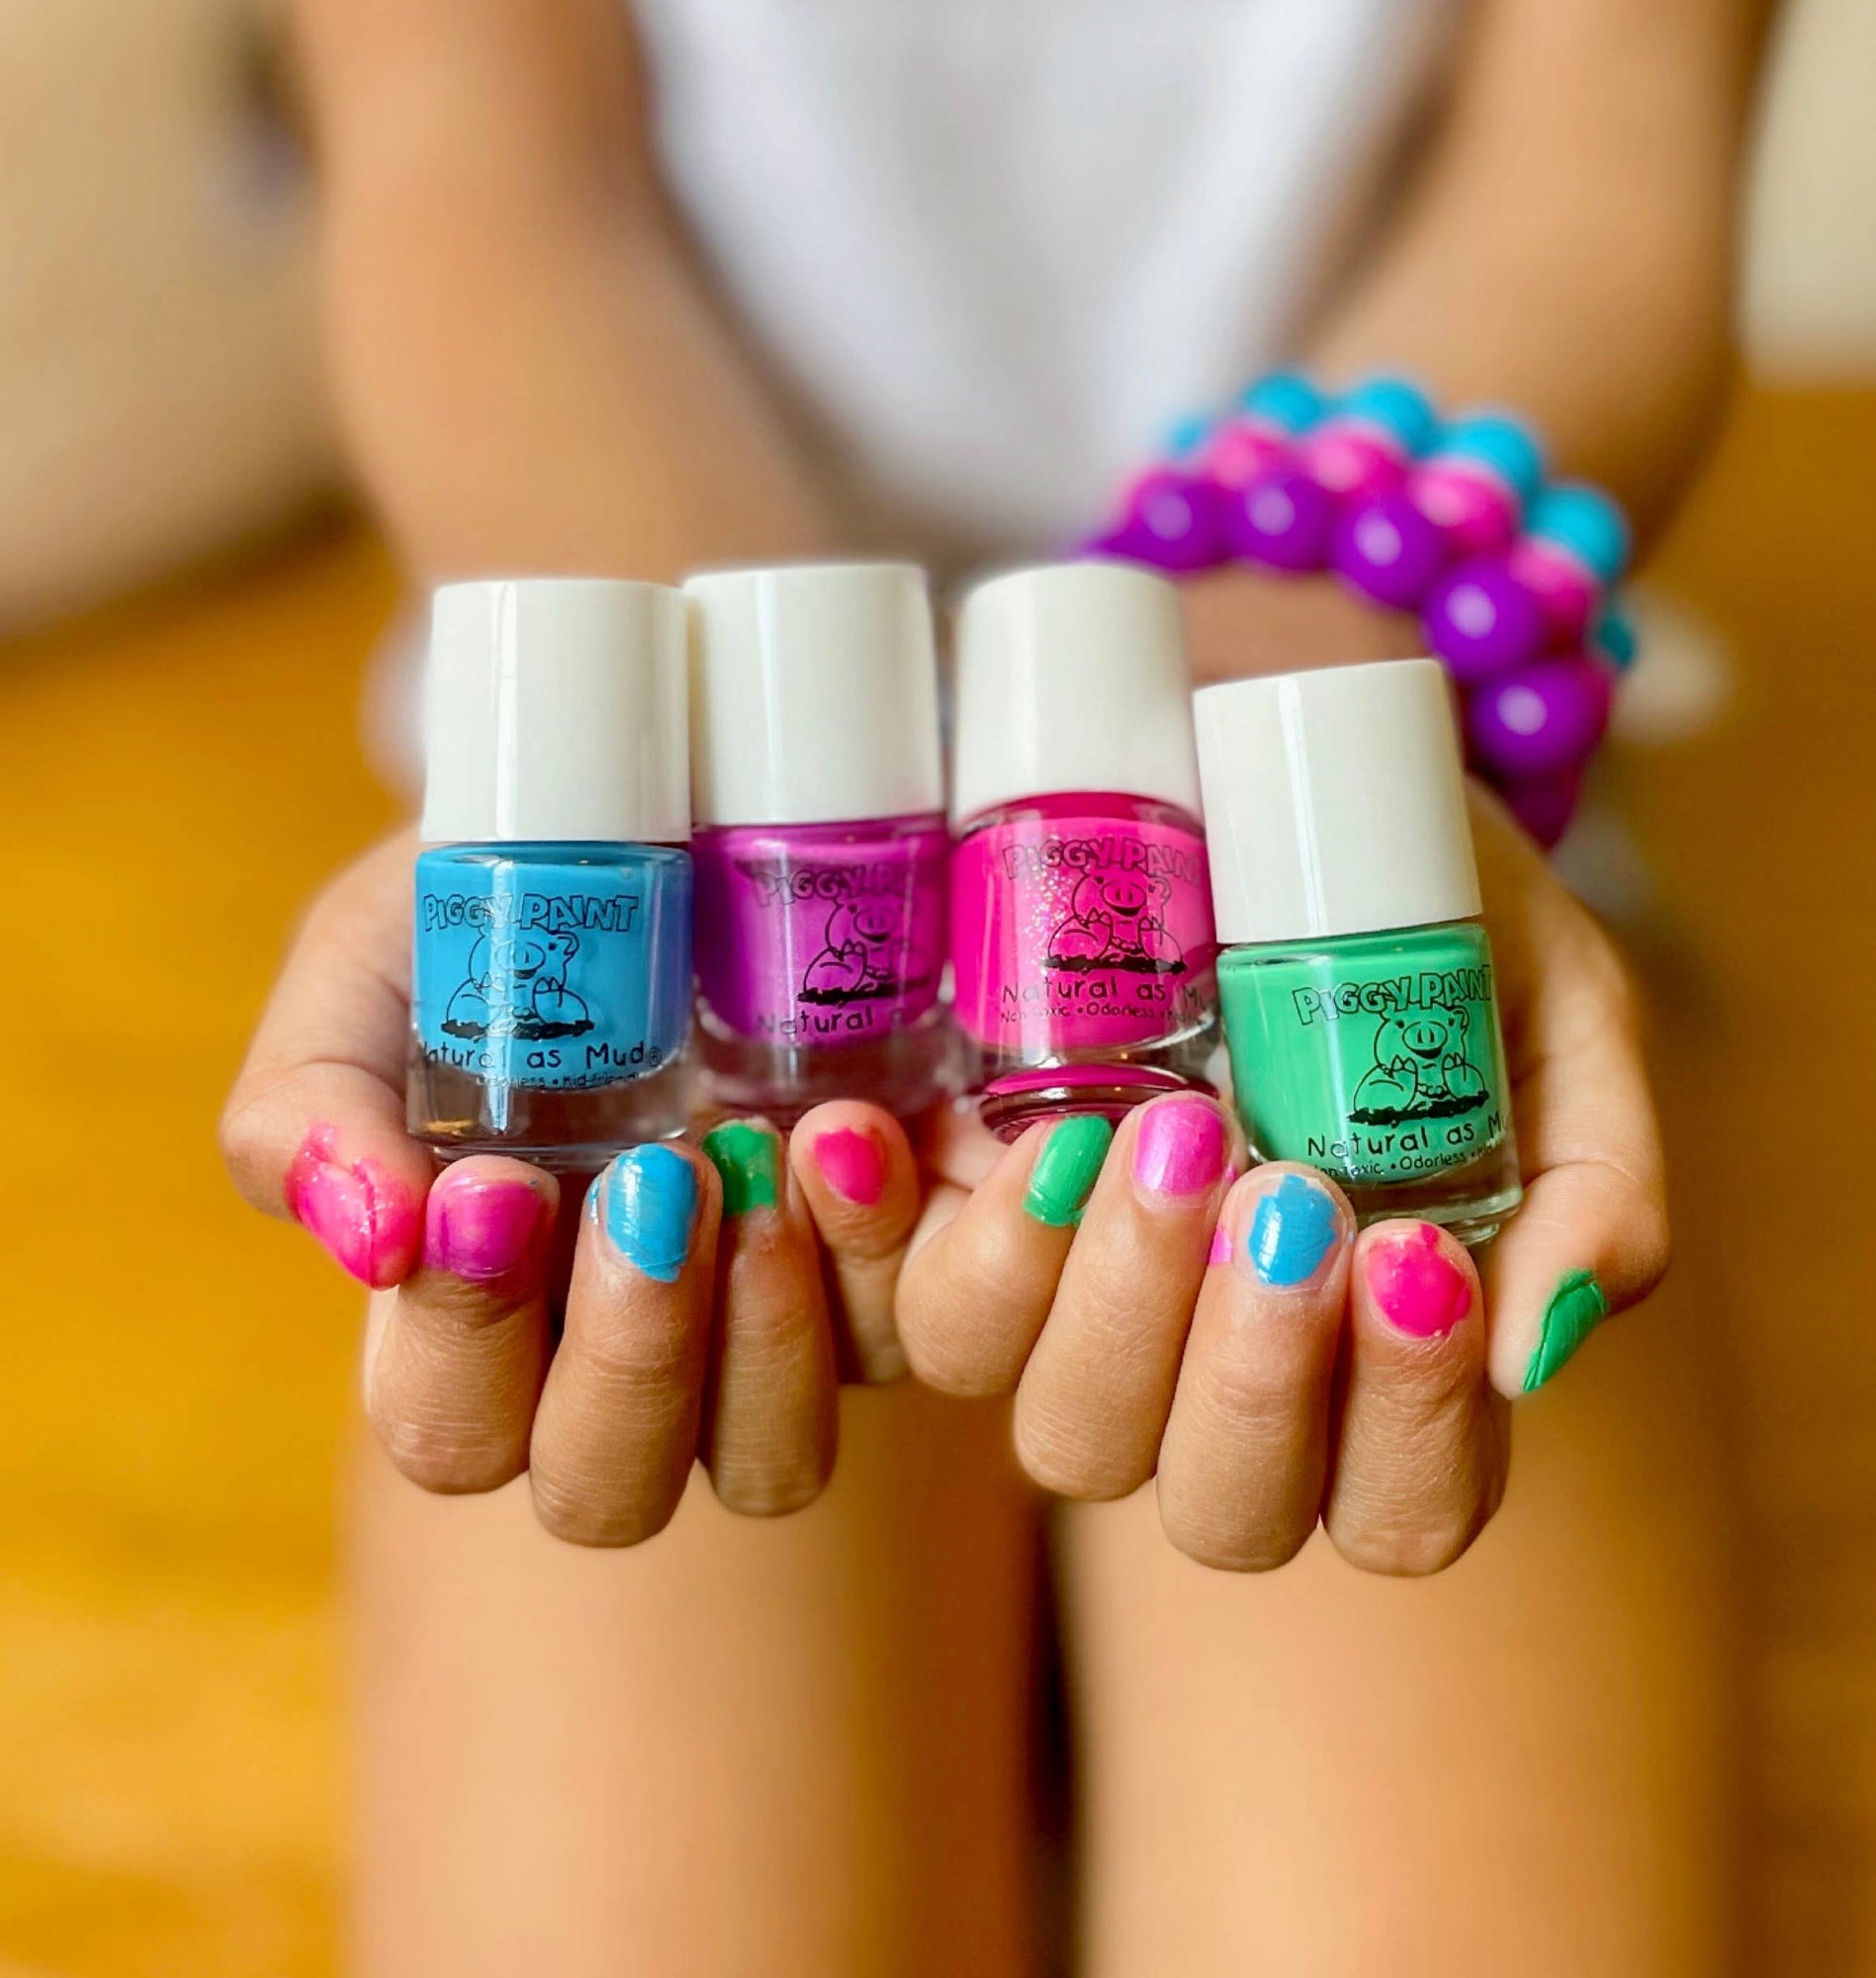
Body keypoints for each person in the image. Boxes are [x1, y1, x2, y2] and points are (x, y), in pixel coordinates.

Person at [223, 0, 1771, 1967]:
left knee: (1410, 1629)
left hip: (1331, 789)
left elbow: (1599, 165)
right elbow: (478, 167)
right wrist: (724, 770)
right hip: (682, 870)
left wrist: (1259, 705)